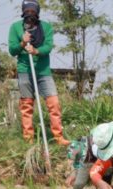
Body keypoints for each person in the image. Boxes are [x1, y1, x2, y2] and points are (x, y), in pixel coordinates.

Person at [8, 1, 69, 146]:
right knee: (27, 105)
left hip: (43, 71)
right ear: (23, 12)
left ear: (37, 12)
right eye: (27, 10)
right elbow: (12, 50)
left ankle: (58, 137)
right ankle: (28, 139)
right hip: (25, 70)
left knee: (53, 103)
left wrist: (36, 51)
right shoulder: (16, 27)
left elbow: (48, 46)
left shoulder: (46, 27)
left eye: (33, 11)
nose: (30, 13)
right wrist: (22, 43)